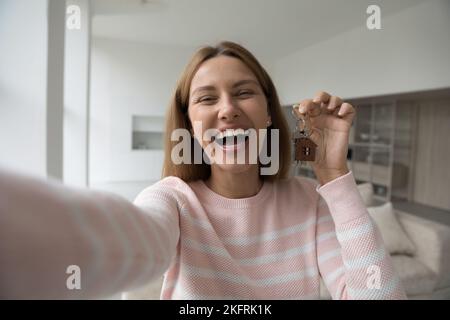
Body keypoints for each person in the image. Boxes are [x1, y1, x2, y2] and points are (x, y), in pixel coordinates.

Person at [0, 41, 406, 299]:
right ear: (191, 125)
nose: (227, 109)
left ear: (268, 112)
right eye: (206, 99)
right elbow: (128, 239)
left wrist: (334, 175)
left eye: (244, 92)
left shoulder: (307, 203)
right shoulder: (173, 199)